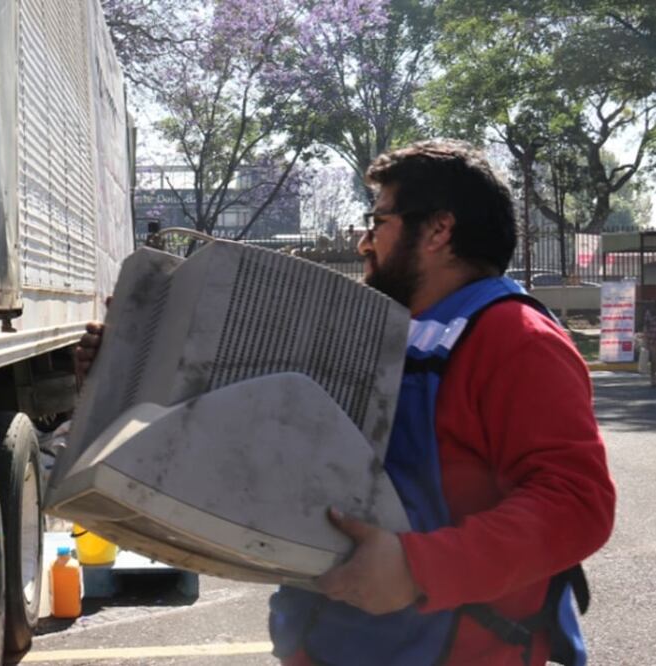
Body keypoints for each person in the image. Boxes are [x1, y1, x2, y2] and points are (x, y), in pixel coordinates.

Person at [74, 140, 615, 665]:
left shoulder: (517, 339)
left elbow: (576, 503)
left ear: (439, 229)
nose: (363, 242)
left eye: (378, 221)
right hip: (337, 638)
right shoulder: (380, 331)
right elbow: (259, 424)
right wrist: (125, 366)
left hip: (455, 649)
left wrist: (416, 569)